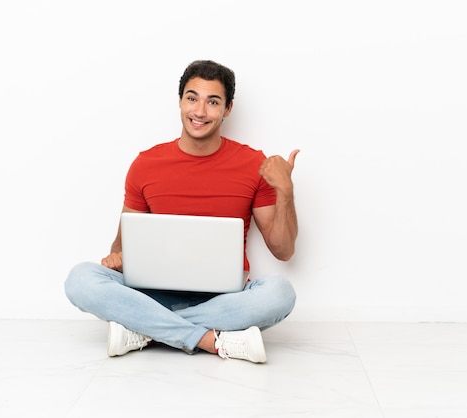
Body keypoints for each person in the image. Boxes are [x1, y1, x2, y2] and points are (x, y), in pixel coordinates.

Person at [64, 60, 299, 364]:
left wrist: (286, 192)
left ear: (227, 109)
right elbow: (120, 249)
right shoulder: (146, 164)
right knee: (80, 279)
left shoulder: (254, 164)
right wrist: (119, 258)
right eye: (192, 98)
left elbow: (284, 251)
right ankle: (209, 339)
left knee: (280, 293)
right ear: (180, 102)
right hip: (154, 292)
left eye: (212, 102)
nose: (200, 112)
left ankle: (146, 330)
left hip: (225, 298)